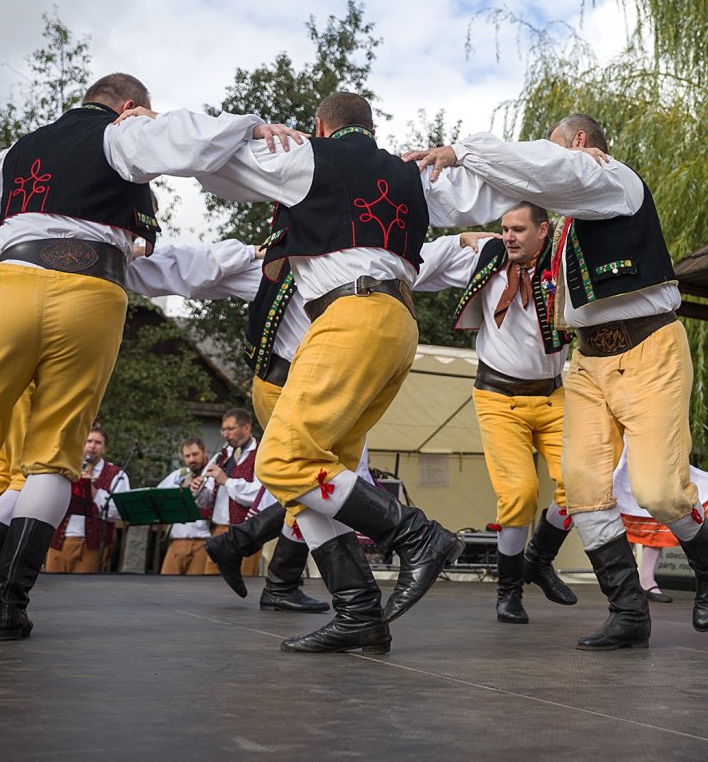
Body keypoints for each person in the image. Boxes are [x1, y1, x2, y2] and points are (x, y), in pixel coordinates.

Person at [0, 74, 293, 638]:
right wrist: (250, 125)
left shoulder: (10, 156)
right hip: (92, 291)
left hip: (13, 281)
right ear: (129, 106)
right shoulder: (120, 134)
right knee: (53, 457)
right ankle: (11, 605)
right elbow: (189, 140)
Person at [198, 90, 514, 654]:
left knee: (281, 461)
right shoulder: (409, 176)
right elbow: (489, 193)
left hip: (350, 316)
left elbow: (212, 165)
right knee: (320, 480)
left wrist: (239, 128)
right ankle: (359, 612)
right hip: (397, 322)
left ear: (320, 127)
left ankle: (417, 535)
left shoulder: (308, 157)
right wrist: (466, 155)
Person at [411, 114, 708, 651]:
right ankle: (627, 611)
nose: (546, 154)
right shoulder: (565, 221)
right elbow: (515, 196)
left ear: (579, 143)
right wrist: (446, 204)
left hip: (648, 348)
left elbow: (544, 170)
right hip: (587, 362)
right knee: (581, 489)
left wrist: (465, 149)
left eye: (553, 145)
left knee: (658, 491)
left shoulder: (612, 179)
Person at [0, 239, 265, 609]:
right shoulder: (102, 241)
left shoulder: (25, 241)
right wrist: (246, 253)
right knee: (32, 472)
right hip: (51, 340)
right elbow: (181, 265)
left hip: (2, 340)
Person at [202, 231, 487, 615]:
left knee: (321, 484)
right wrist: (131, 249)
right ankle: (403, 547)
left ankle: (341, 601)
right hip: (282, 384)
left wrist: (460, 242)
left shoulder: (353, 254)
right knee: (306, 473)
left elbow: (405, 260)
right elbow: (198, 270)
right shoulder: (275, 264)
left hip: (333, 378)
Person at [451, 203, 580, 623]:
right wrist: (460, 237)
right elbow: (431, 260)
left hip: (553, 397)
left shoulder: (562, 262)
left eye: (518, 229)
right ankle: (508, 591)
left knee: (582, 486)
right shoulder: (488, 255)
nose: (508, 236)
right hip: (498, 397)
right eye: (504, 228)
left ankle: (538, 560)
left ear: (543, 231)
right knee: (519, 493)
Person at [612, 445, 708, 603]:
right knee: (623, 521)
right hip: (626, 456)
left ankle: (646, 580)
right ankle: (624, 583)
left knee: (658, 511)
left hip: (655, 453)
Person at [44, 425, 130, 573]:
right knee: (53, 583)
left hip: (91, 545)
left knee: (83, 586)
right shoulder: (67, 468)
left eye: (98, 442)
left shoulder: (116, 474)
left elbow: (121, 511)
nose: (92, 446)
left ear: (104, 448)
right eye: (88, 441)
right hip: (58, 542)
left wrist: (95, 492)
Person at [203, 408, 264, 577]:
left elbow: (259, 493)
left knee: (245, 579)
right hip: (219, 530)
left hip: (247, 531)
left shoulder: (261, 453)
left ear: (246, 428)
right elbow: (209, 496)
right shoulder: (222, 455)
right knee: (209, 580)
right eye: (223, 430)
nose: (225, 434)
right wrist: (199, 491)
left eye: (230, 429)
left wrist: (227, 481)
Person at [157, 437, 216, 575]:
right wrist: (181, 488)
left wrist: (199, 489)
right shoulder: (180, 474)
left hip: (203, 541)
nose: (191, 459)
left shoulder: (213, 473)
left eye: (195, 454)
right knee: (166, 583)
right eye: (187, 456)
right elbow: (159, 495)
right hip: (176, 540)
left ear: (204, 452)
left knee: (196, 585)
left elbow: (210, 501)